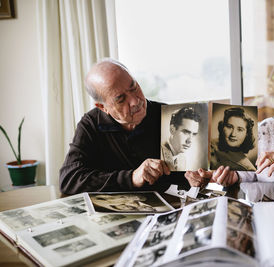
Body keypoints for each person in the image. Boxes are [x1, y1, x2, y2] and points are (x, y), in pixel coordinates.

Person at [59, 58, 208, 194]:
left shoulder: (168, 115)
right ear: (102, 107)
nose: (135, 101)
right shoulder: (91, 124)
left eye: (134, 87)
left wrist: (196, 178)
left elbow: (188, 177)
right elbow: (69, 179)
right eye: (121, 99)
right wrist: (131, 178)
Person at [161, 106, 201, 171]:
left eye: (194, 134)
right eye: (186, 132)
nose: (190, 141)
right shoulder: (158, 154)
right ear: (172, 129)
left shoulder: (182, 160)